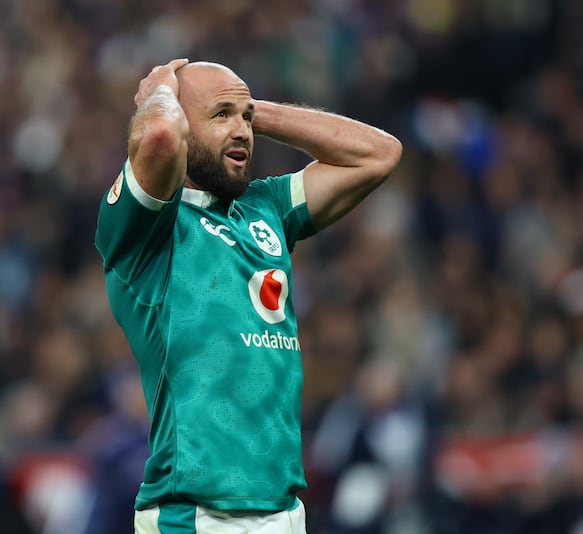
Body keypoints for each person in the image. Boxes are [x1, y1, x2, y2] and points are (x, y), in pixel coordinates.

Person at [94, 58, 402, 533]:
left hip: (283, 512)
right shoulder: (147, 230)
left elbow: (378, 153)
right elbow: (157, 139)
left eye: (246, 119)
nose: (241, 131)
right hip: (196, 517)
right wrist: (159, 90)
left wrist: (253, 111)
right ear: (177, 117)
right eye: (221, 116)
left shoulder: (266, 208)